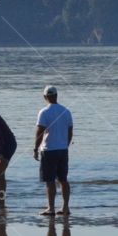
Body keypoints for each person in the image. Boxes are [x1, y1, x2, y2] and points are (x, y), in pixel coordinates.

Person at [33, 85, 73, 216]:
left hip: (49, 150)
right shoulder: (66, 111)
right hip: (62, 150)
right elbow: (70, 131)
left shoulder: (44, 112)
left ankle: (51, 208)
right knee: (63, 180)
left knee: (50, 181)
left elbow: (39, 132)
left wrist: (35, 148)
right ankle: (65, 207)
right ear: (56, 95)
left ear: (45, 97)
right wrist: (65, 145)